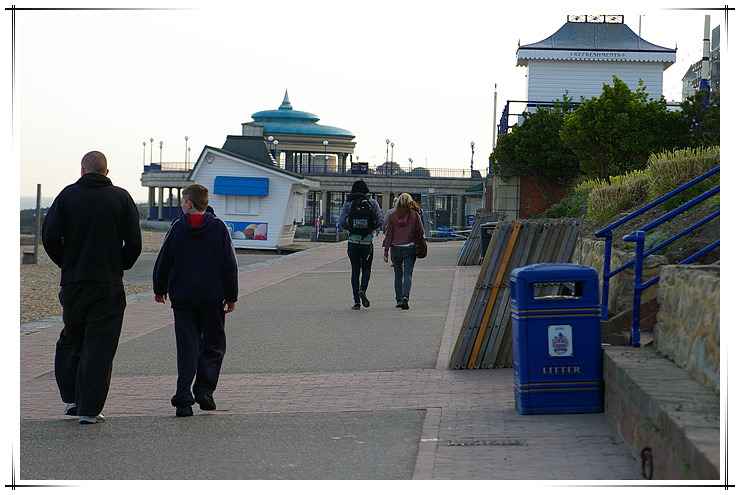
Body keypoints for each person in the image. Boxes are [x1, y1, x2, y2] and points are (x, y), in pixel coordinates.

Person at [42, 151, 142, 424]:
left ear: (83, 171)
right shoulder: (121, 198)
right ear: (107, 172)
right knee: (100, 344)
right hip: (108, 282)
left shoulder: (67, 195)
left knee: (71, 337)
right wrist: (119, 265)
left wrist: (67, 262)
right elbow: (134, 243)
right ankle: (89, 409)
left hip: (74, 281)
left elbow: (49, 236)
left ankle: (72, 398)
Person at [153, 184, 239, 417]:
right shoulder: (219, 228)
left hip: (183, 299)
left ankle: (183, 398)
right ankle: (204, 390)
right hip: (212, 298)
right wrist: (231, 296)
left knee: (187, 347)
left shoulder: (178, 228)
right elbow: (230, 265)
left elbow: (164, 259)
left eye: (182, 203)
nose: (182, 206)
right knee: (213, 345)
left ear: (189, 204)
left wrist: (159, 288)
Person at [338, 179, 383, 310]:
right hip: (367, 243)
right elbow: (380, 220)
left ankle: (356, 302)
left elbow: (341, 221)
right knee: (367, 269)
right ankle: (362, 290)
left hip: (353, 241)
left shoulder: (349, 202)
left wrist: (351, 229)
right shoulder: (372, 203)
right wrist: (370, 229)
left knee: (355, 270)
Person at [382, 193, 424, 310]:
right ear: (410, 203)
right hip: (410, 248)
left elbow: (389, 235)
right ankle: (406, 297)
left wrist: (386, 252)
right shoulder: (414, 215)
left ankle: (399, 300)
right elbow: (422, 231)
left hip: (395, 248)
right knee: (408, 274)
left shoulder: (392, 216)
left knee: (398, 274)